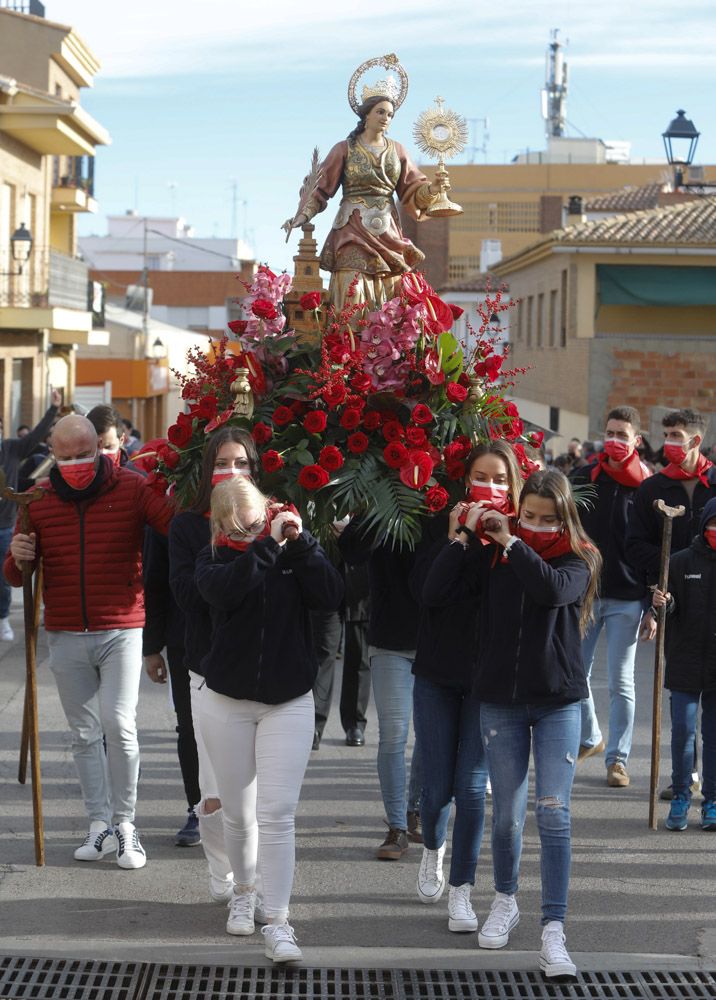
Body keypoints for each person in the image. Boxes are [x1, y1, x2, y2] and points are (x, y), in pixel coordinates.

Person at [423, 469, 601, 980]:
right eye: (529, 517)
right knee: (505, 814)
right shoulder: (494, 555)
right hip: (499, 699)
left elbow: (549, 592)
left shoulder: (580, 557)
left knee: (554, 814)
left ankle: (553, 931)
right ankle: (505, 899)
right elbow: (435, 593)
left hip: (557, 702)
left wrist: (511, 540)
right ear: (518, 510)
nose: (536, 526)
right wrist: (462, 537)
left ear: (564, 517)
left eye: (548, 519)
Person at [3, 414, 173, 868]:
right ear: (51, 456)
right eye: (65, 457)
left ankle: (127, 825)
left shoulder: (131, 488)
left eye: (84, 454)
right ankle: (98, 824)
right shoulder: (37, 500)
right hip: (63, 629)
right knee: (82, 733)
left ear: (99, 448)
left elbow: (175, 525)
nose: (75, 463)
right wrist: (18, 558)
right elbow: (16, 574)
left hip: (120, 626)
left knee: (119, 725)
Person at [195, 476, 343, 963]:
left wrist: (301, 545)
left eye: (256, 520)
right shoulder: (214, 558)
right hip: (227, 701)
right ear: (221, 525)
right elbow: (227, 594)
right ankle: (243, 889)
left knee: (277, 815)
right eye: (239, 526)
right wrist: (263, 545)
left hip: (288, 700)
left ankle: (279, 921)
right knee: (238, 815)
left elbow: (330, 595)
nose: (252, 530)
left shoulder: (290, 545)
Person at [412, 441, 522, 934]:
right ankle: (433, 849)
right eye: (481, 476)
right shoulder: (444, 527)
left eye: (500, 479)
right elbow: (430, 593)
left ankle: (462, 890)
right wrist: (459, 536)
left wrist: (501, 540)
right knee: (436, 789)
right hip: (436, 673)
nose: (491, 488)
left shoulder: (518, 537)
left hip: (488, 680)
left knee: (472, 787)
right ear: (465, 481)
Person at [168, 426, 260, 899]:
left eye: (241, 463)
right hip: (206, 671)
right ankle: (220, 870)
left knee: (255, 795)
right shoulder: (187, 526)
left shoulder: (268, 522)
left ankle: (250, 877)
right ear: (207, 471)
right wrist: (222, 544)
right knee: (214, 788)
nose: (231, 471)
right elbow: (186, 595)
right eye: (223, 463)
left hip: (262, 676)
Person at [282, 77, 445, 310]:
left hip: (387, 231)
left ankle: (384, 343)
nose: (385, 118)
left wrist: (432, 189)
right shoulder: (344, 148)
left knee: (389, 294)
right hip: (352, 229)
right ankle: (347, 340)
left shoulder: (397, 150)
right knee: (352, 290)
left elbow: (411, 189)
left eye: (390, 114)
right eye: (380, 112)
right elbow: (319, 187)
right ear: (366, 115)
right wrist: (302, 215)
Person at [627, 408, 716, 799]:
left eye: (676, 435)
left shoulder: (715, 484)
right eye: (665, 434)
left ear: (696, 440)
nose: (668, 443)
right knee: (682, 698)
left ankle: (710, 783)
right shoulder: (653, 488)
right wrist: (670, 570)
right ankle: (686, 776)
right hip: (674, 595)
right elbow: (634, 544)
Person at [570, 406, 655, 786]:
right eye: (610, 432)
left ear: (637, 440)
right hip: (587, 593)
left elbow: (654, 547)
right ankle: (591, 737)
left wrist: (653, 602)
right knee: (574, 671)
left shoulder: (649, 485)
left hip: (628, 598)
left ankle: (618, 761)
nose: (615, 440)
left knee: (622, 682)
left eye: (623, 434)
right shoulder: (585, 476)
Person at [339, 517, 423, 860]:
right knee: (393, 733)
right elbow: (352, 551)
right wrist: (374, 509)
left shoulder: (445, 493)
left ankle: (414, 808)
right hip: (390, 636)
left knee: (430, 735)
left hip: (439, 639)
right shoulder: (379, 491)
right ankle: (397, 826)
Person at [653, 497, 716, 832]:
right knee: (682, 733)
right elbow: (666, 611)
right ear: (703, 525)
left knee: (715, 736)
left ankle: (713, 801)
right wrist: (662, 603)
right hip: (684, 661)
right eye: (712, 524)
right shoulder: (678, 562)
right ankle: (680, 796)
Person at [0, 389, 61, 640]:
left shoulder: (11, 449)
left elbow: (36, 436)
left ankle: (3, 620)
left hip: (5, 524)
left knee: (4, 578)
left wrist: (53, 409)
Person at [311, 559, 371, 749]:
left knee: (359, 656)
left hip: (362, 582)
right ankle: (314, 723)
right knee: (322, 655)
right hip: (327, 578)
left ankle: (355, 723)